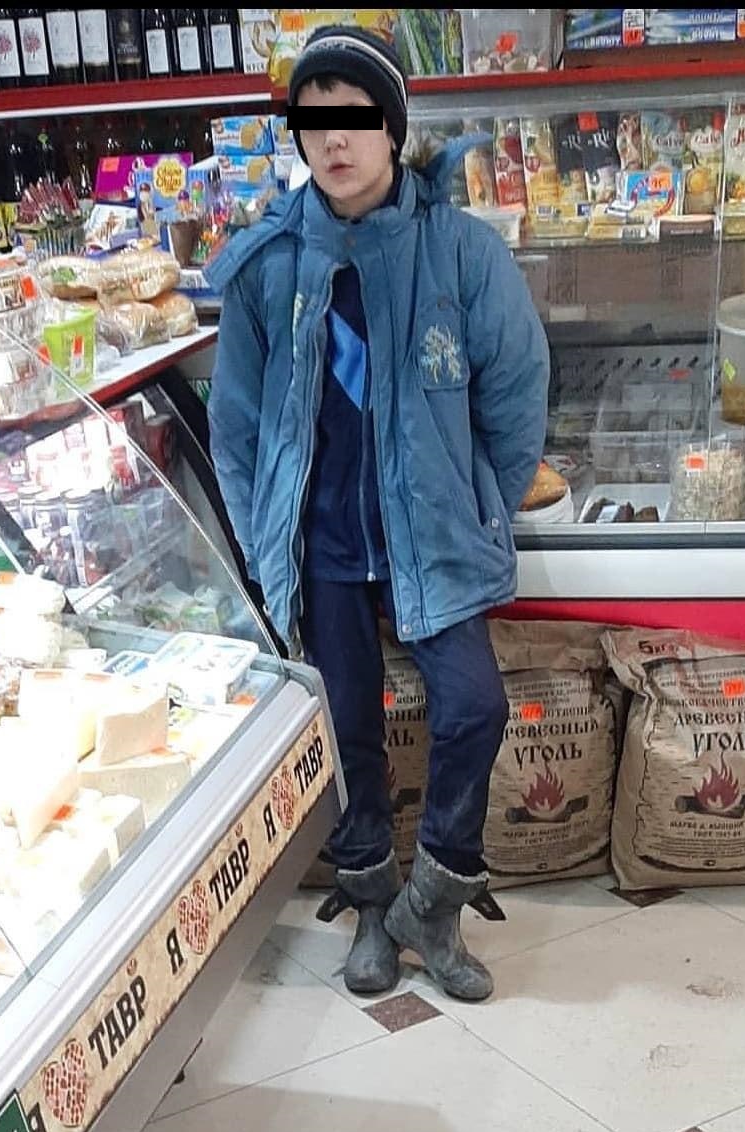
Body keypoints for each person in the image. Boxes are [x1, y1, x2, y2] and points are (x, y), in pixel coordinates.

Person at [206, 26, 549, 1002]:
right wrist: (260, 541)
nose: (334, 139)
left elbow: (515, 392)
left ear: (390, 128)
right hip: (320, 542)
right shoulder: (268, 266)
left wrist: (476, 500)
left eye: (354, 117)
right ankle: (368, 901)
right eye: (313, 119)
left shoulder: (459, 252)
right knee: (346, 724)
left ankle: (433, 898)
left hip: (428, 535)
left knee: (474, 707)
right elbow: (235, 423)